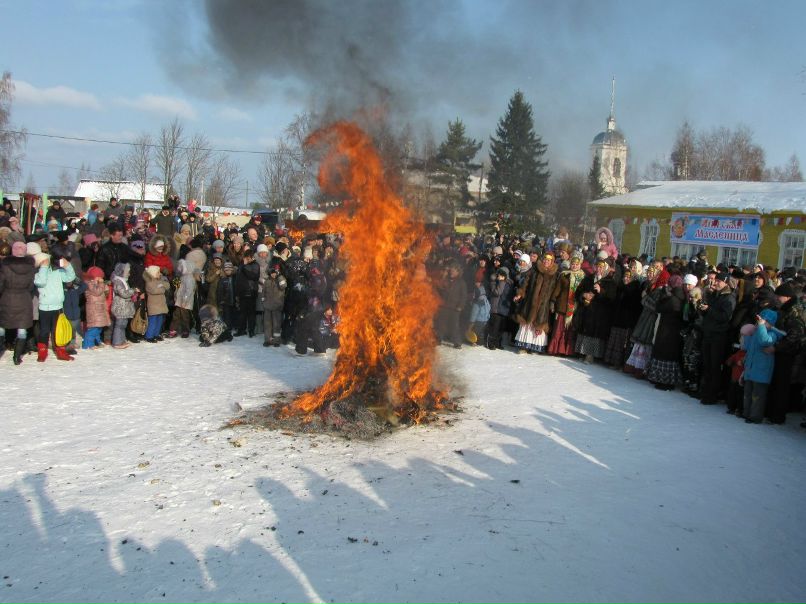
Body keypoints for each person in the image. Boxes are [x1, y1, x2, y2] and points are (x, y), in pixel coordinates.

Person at [766, 282, 805, 423]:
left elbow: (794, 336)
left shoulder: (794, 311)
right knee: (776, 382)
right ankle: (771, 412)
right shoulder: (785, 309)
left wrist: (777, 348)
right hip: (782, 350)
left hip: (788, 353)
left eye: (779, 296)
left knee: (782, 385)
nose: (777, 298)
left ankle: (777, 415)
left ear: (787, 297)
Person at [698, 271, 737, 405]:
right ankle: (705, 391)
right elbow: (709, 314)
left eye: (718, 281)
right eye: (715, 281)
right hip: (708, 332)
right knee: (707, 364)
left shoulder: (729, 297)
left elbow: (725, 317)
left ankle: (711, 395)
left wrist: (709, 310)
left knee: (714, 366)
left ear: (725, 282)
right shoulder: (715, 294)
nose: (715, 283)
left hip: (718, 335)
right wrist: (702, 309)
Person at [33, 249, 76, 361]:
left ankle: (61, 351)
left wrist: (67, 266)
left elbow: (70, 277)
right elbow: (41, 282)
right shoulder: (37, 274)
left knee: (58, 330)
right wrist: (43, 267)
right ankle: (42, 352)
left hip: (58, 306)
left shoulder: (57, 272)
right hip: (45, 307)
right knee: (44, 330)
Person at [645, 274, 686, 390]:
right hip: (674, 330)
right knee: (670, 356)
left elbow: (659, 307)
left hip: (667, 330)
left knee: (664, 355)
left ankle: (664, 381)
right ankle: (667, 381)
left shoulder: (673, 298)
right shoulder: (681, 297)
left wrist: (663, 295)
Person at [513, 251, 559, 354]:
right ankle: (524, 347)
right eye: (545, 259)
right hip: (530, 301)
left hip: (544, 304)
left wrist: (552, 302)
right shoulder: (534, 270)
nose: (546, 261)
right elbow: (526, 282)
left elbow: (555, 290)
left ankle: (535, 347)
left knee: (539, 323)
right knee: (527, 322)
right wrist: (520, 293)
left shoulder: (554, 275)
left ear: (552, 261)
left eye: (548, 260)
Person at [742, 309, 783, 424]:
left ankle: (755, 416)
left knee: (758, 396)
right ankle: (746, 413)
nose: (760, 323)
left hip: (761, 371)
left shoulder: (773, 334)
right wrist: (747, 335)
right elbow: (746, 347)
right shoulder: (756, 332)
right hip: (751, 368)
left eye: (763, 321)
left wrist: (760, 327)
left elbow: (764, 341)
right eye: (759, 320)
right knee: (748, 393)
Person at [574, 257, 617, 363]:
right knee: (584, 331)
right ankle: (581, 352)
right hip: (587, 310)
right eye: (597, 266)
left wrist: (601, 291)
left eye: (602, 267)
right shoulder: (588, 278)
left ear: (606, 269)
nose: (599, 269)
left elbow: (612, 298)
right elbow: (578, 292)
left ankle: (590, 355)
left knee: (594, 334)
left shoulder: (610, 282)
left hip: (599, 313)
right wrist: (584, 295)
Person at [0, 241, 36, 364]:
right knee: (22, 329)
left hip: (7, 298)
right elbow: (31, 286)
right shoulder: (31, 267)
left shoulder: (5, 265)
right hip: (24, 299)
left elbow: (1, 284)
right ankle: (17, 357)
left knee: (2, 327)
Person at [548, 251, 586, 356]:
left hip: (574, 307)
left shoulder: (582, 277)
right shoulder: (564, 275)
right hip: (562, 306)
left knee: (569, 331)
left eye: (576, 264)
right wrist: (553, 301)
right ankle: (556, 349)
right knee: (559, 329)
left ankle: (567, 350)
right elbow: (557, 289)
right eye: (573, 264)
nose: (574, 266)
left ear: (580, 265)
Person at [436, 261, 467, 349]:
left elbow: (464, 296)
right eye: (451, 271)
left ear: (458, 272)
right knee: (441, 324)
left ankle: (457, 342)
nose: (451, 272)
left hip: (455, 308)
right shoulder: (446, 280)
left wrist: (460, 306)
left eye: (453, 271)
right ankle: (438, 339)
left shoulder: (461, 282)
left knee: (454, 326)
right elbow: (440, 290)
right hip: (444, 306)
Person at [82, 266, 111, 350]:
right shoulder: (89, 284)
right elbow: (97, 292)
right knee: (93, 328)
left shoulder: (97, 284)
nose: (101, 279)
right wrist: (101, 284)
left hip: (100, 309)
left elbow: (105, 293)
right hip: (94, 310)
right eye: (99, 277)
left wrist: (104, 285)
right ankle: (88, 344)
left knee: (99, 327)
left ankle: (96, 341)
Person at [486, 267, 514, 350]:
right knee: (496, 327)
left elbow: (498, 292)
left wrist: (493, 283)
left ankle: (496, 342)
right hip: (500, 308)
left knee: (499, 327)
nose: (499, 276)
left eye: (501, 274)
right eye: (498, 274)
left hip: (501, 307)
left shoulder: (505, 283)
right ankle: (493, 343)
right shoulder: (506, 283)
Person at [110, 263, 137, 349]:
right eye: (127, 272)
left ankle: (121, 340)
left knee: (123, 324)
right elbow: (123, 293)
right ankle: (117, 342)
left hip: (124, 306)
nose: (129, 274)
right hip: (120, 306)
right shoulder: (118, 282)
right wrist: (133, 291)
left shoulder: (124, 281)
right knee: (119, 324)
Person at [234, 249, 260, 337]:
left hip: (251, 291)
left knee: (251, 313)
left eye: (248, 257)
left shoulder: (255, 265)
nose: (247, 259)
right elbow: (238, 278)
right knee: (242, 312)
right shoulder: (241, 265)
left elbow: (254, 276)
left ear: (252, 257)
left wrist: (244, 267)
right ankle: (241, 330)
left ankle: (251, 330)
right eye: (246, 257)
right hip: (242, 292)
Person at [261, 264, 287, 347]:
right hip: (268, 306)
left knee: (276, 324)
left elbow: (284, 286)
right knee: (267, 324)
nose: (273, 274)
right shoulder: (267, 281)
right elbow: (263, 292)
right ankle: (267, 340)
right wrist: (263, 301)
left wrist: (279, 277)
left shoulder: (281, 279)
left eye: (275, 273)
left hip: (277, 306)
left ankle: (276, 340)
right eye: (272, 273)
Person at [143, 265, 169, 343]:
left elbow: (167, 285)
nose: (159, 273)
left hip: (160, 304)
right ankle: (149, 336)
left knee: (159, 320)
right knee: (153, 321)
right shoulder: (149, 282)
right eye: (158, 272)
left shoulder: (159, 280)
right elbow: (154, 291)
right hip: (153, 305)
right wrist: (162, 288)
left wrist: (161, 286)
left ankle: (156, 334)